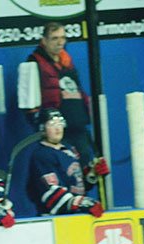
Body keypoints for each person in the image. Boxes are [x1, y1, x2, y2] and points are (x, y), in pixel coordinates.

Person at [27, 22, 93, 162]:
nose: (60, 42)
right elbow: (28, 98)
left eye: (63, 37)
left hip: (78, 124)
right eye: (55, 38)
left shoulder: (67, 61)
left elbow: (79, 91)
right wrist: (39, 122)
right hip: (56, 127)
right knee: (63, 164)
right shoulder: (34, 62)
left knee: (87, 165)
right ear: (44, 40)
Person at [26, 108, 108, 217]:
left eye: (60, 123)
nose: (58, 128)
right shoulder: (42, 155)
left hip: (76, 215)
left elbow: (77, 183)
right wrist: (82, 203)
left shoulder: (69, 149)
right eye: (52, 124)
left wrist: (92, 173)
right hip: (54, 219)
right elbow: (51, 193)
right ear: (42, 128)